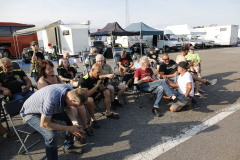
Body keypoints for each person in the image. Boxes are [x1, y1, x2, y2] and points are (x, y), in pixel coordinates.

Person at [20, 84, 87, 159]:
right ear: (72, 100)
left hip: (46, 110)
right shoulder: (52, 99)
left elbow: (68, 108)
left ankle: (68, 147)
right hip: (31, 113)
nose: (76, 107)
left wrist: (75, 124)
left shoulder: (71, 91)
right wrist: (69, 128)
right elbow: (44, 124)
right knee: (51, 135)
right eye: (76, 105)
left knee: (72, 122)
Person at [38, 60, 94, 140]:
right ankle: (74, 134)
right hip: (53, 106)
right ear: (43, 70)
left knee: (80, 106)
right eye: (48, 69)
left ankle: (84, 127)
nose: (51, 70)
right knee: (73, 108)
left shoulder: (56, 77)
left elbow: (64, 88)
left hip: (63, 101)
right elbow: (46, 99)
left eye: (51, 68)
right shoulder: (42, 82)